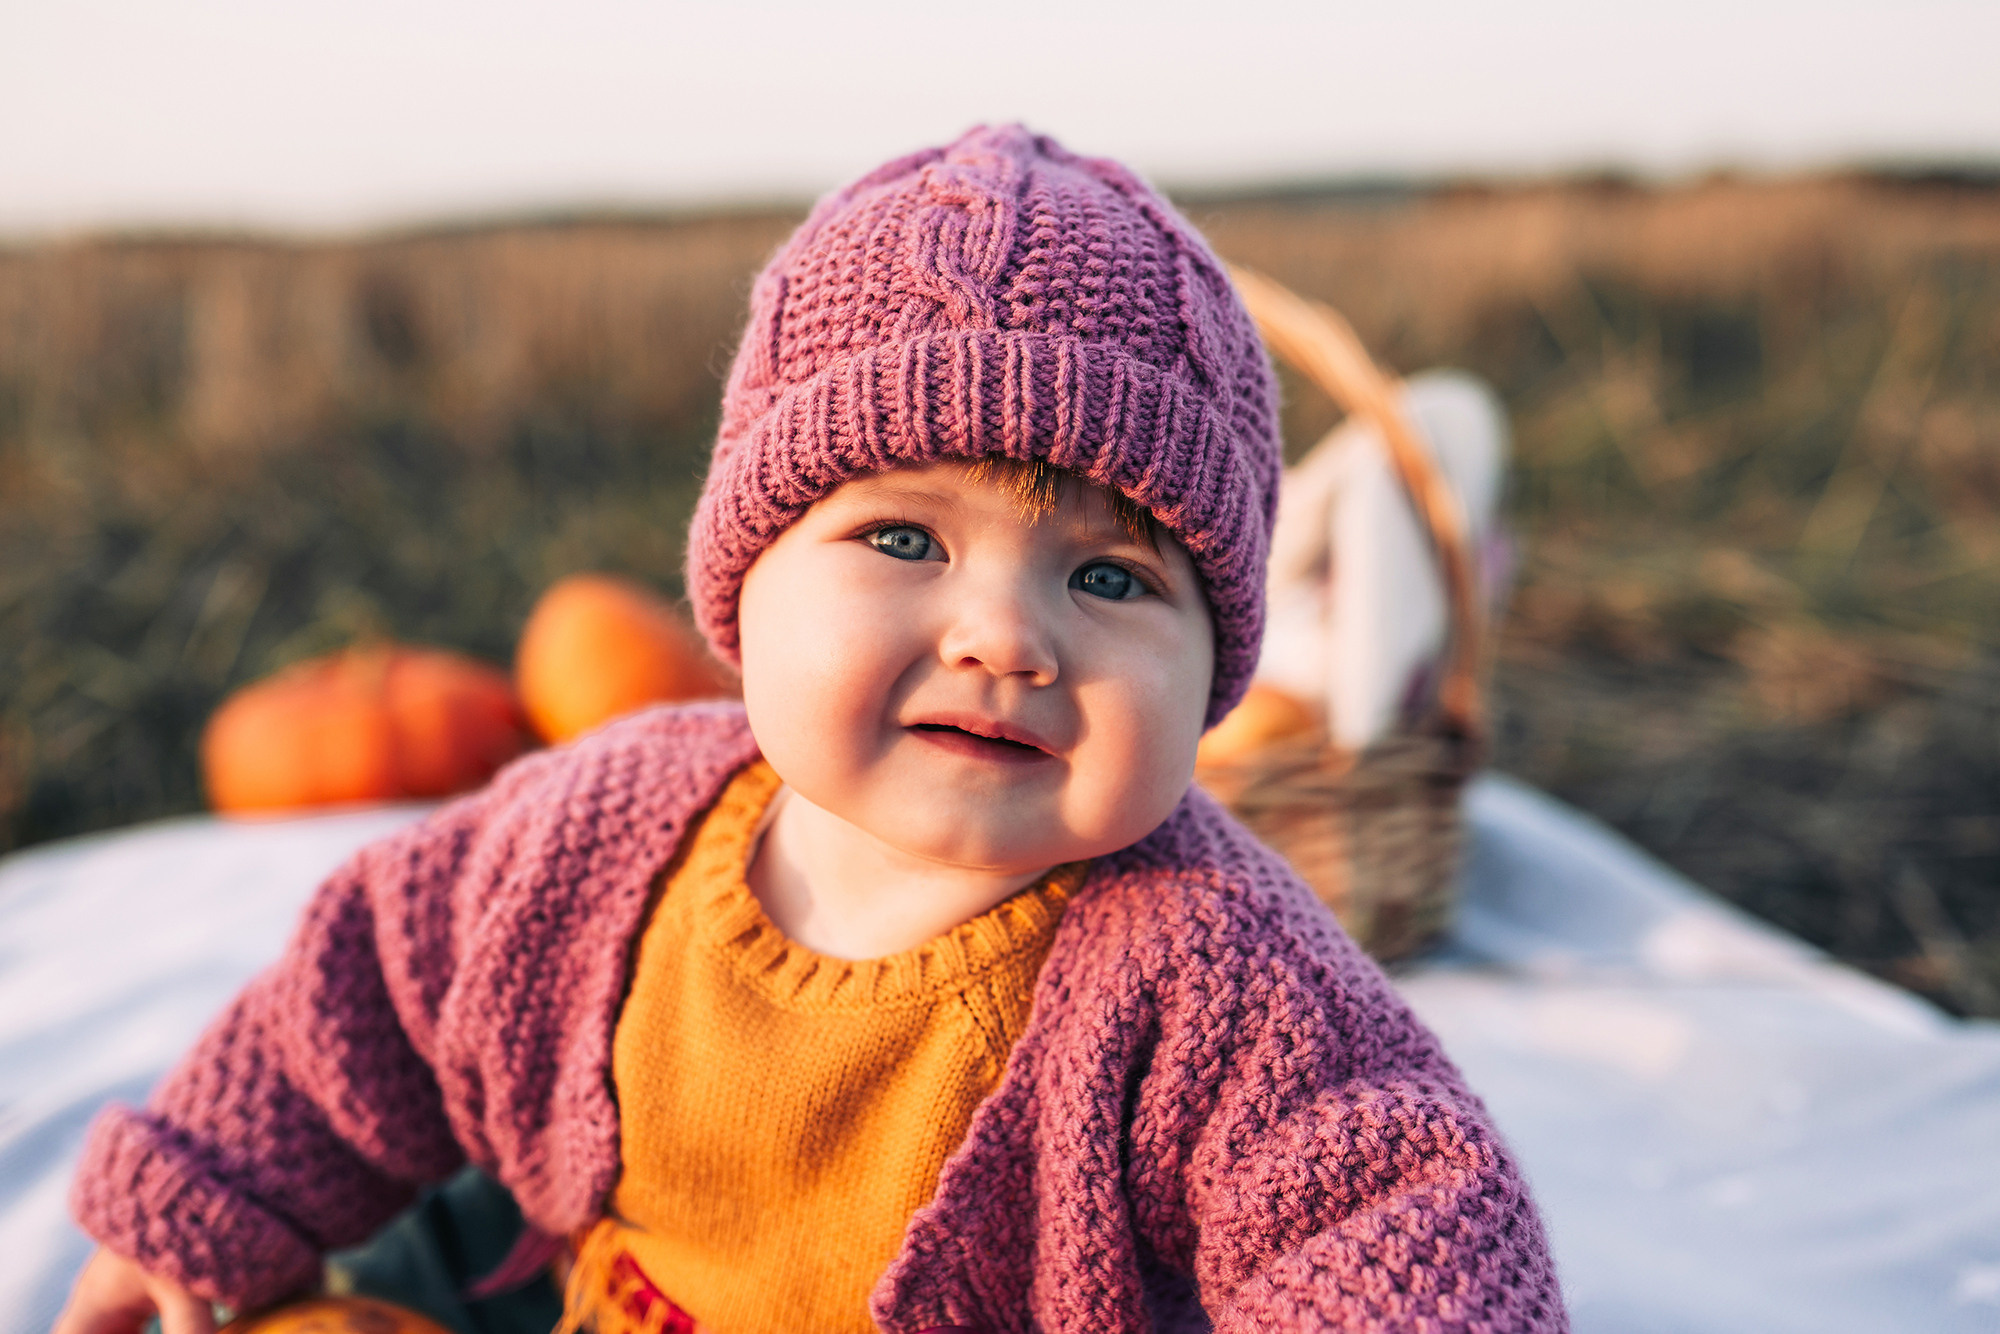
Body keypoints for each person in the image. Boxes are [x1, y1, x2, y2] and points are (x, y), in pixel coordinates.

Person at [53, 126, 1565, 1334]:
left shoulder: (1210, 974)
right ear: (744, 582)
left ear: (1215, 665)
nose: (1006, 635)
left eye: (1112, 577)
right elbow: (369, 998)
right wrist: (193, 1202)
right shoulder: (603, 828)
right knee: (394, 1261)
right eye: (905, 541)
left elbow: (1392, 1211)